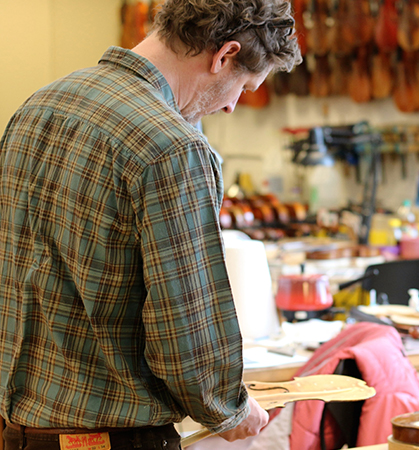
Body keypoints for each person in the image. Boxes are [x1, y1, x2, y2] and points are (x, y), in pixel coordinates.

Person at [0, 1, 300, 449]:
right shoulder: (173, 148)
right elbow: (185, 320)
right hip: (110, 438)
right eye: (243, 86)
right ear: (224, 56)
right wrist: (227, 407)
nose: (233, 106)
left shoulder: (39, 106)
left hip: (16, 429)